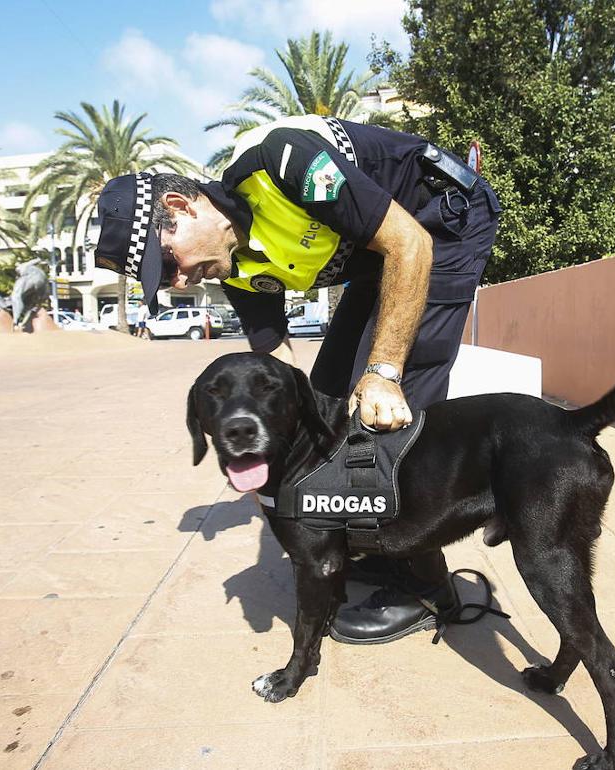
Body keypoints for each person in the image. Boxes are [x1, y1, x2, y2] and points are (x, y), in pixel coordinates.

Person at [94, 115, 500, 644]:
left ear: (180, 206)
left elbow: (411, 245)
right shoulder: (234, 269)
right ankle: (373, 543)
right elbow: (282, 372)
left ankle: (424, 588)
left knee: (393, 421)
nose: (178, 282)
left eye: (167, 262)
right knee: (329, 399)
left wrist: (382, 374)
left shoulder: (283, 163)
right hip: (381, 255)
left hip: (438, 226)